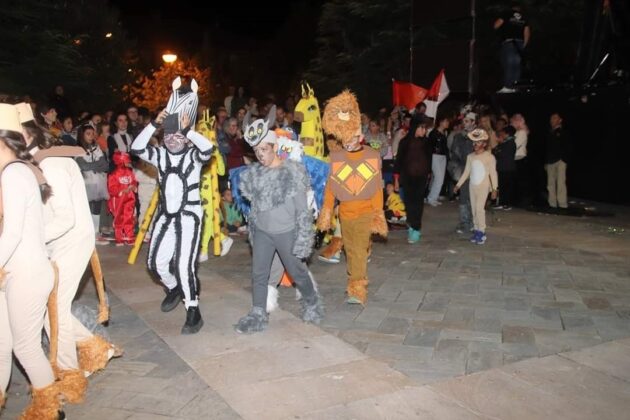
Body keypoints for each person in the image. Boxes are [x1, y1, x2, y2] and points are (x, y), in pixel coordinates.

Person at [17, 102, 121, 398]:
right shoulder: (37, 163)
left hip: (71, 243)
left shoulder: (52, 163)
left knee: (55, 312)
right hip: (56, 245)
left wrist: (29, 240)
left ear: (27, 137)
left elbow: (64, 218)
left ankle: (69, 376)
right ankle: (96, 347)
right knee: (50, 311)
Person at [131, 77, 212, 335]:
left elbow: (208, 149)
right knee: (155, 264)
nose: (172, 138)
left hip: (189, 215)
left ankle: (193, 309)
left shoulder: (194, 155)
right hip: (166, 216)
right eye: (168, 133)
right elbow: (136, 147)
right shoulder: (160, 154)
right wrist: (154, 123)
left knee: (184, 264)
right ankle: (175, 287)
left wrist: (188, 130)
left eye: (177, 134)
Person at [0, 104, 64, 419]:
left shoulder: (14, 174)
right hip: (14, 271)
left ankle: (51, 409)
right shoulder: (16, 172)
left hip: (25, 272)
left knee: (24, 347)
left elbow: (11, 234)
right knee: (1, 346)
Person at [234, 116, 322, 334]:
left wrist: (303, 240)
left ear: (275, 146)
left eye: (265, 149)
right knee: (259, 273)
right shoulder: (255, 175)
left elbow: (303, 211)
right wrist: (254, 230)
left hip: (287, 232)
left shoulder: (292, 172)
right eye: (257, 151)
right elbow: (254, 208)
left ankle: (312, 303)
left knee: (297, 272)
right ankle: (258, 313)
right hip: (263, 232)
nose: (261, 155)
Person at [317, 90, 388, 305]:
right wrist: (327, 212)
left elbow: (376, 188)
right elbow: (331, 187)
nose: (347, 142)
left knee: (358, 250)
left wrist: (378, 214)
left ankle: (357, 288)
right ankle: (354, 282)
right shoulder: (337, 158)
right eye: (344, 138)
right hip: (345, 213)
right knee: (351, 250)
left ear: (359, 135)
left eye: (351, 137)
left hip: (366, 212)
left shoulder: (372, 156)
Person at [454, 129, 498, 245]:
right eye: (474, 142)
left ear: (484, 144)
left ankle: (482, 231)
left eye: (478, 142)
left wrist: (494, 189)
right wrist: (458, 185)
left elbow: (493, 173)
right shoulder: (470, 156)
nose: (475, 145)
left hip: (483, 187)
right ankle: (476, 229)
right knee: (474, 209)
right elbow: (466, 172)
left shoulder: (489, 157)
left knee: (479, 209)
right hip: (472, 186)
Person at [394, 121, 433, 244]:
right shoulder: (404, 142)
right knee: (409, 202)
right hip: (407, 177)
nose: (424, 130)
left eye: (425, 128)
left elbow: (429, 159)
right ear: (416, 128)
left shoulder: (426, 142)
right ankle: (411, 225)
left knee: (418, 202)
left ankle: (416, 228)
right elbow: (398, 161)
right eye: (422, 127)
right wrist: (396, 179)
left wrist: (428, 174)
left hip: (421, 177)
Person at [494, 3, 530, 93]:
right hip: (519, 44)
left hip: (509, 42)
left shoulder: (507, 14)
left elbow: (496, 25)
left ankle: (508, 86)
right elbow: (527, 32)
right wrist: (524, 45)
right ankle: (515, 86)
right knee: (517, 65)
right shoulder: (524, 17)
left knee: (508, 63)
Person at [108, 151, 137, 246]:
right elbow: (111, 188)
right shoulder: (114, 174)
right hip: (119, 199)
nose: (128, 163)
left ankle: (129, 235)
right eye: (126, 161)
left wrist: (133, 186)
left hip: (130, 197)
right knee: (119, 217)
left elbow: (133, 181)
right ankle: (119, 236)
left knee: (129, 216)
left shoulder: (129, 172)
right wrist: (121, 191)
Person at [545, 112, 570, 209]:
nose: (552, 120)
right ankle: (552, 204)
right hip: (550, 161)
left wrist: (565, 160)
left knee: (561, 183)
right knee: (550, 184)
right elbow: (547, 149)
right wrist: (546, 162)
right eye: (551, 118)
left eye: (555, 118)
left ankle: (563, 204)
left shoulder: (564, 132)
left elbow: (568, 147)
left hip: (560, 160)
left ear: (560, 120)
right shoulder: (549, 133)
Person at [426, 115, 450, 206]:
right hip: (435, 156)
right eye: (446, 121)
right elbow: (430, 146)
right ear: (441, 122)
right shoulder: (433, 133)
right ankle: (431, 198)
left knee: (439, 178)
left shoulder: (444, 133)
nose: (448, 123)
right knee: (439, 178)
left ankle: (433, 197)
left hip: (442, 157)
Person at [492, 126, 517, 210]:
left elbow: (500, 153)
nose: (501, 134)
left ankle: (507, 203)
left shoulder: (510, 143)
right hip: (502, 167)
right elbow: (495, 150)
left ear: (507, 133)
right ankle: (501, 203)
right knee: (502, 186)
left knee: (507, 186)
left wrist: (498, 149)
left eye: (502, 132)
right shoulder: (505, 143)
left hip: (508, 168)